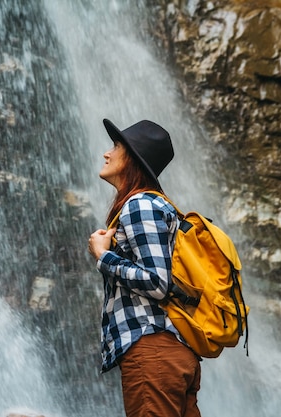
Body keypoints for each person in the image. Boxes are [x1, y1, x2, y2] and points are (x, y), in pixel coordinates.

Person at [88, 118, 201, 417]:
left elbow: (157, 282)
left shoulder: (140, 205)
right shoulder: (156, 204)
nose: (106, 153)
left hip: (153, 352)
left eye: (116, 146)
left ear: (133, 160)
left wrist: (103, 257)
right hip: (172, 352)